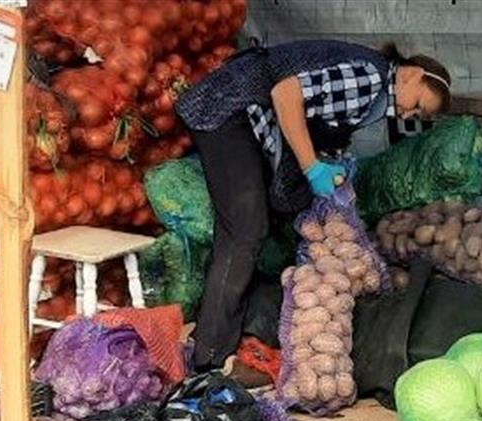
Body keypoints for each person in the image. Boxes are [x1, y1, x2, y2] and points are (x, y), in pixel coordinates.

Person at [176, 40, 451, 381]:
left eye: (415, 117)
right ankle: (208, 360)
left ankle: (215, 336)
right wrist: (311, 168)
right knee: (246, 230)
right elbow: (285, 94)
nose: (407, 115)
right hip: (228, 112)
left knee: (256, 224)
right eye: (417, 107)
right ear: (411, 75)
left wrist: (332, 167)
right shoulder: (370, 77)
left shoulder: (374, 91)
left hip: (249, 121)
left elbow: (319, 117)